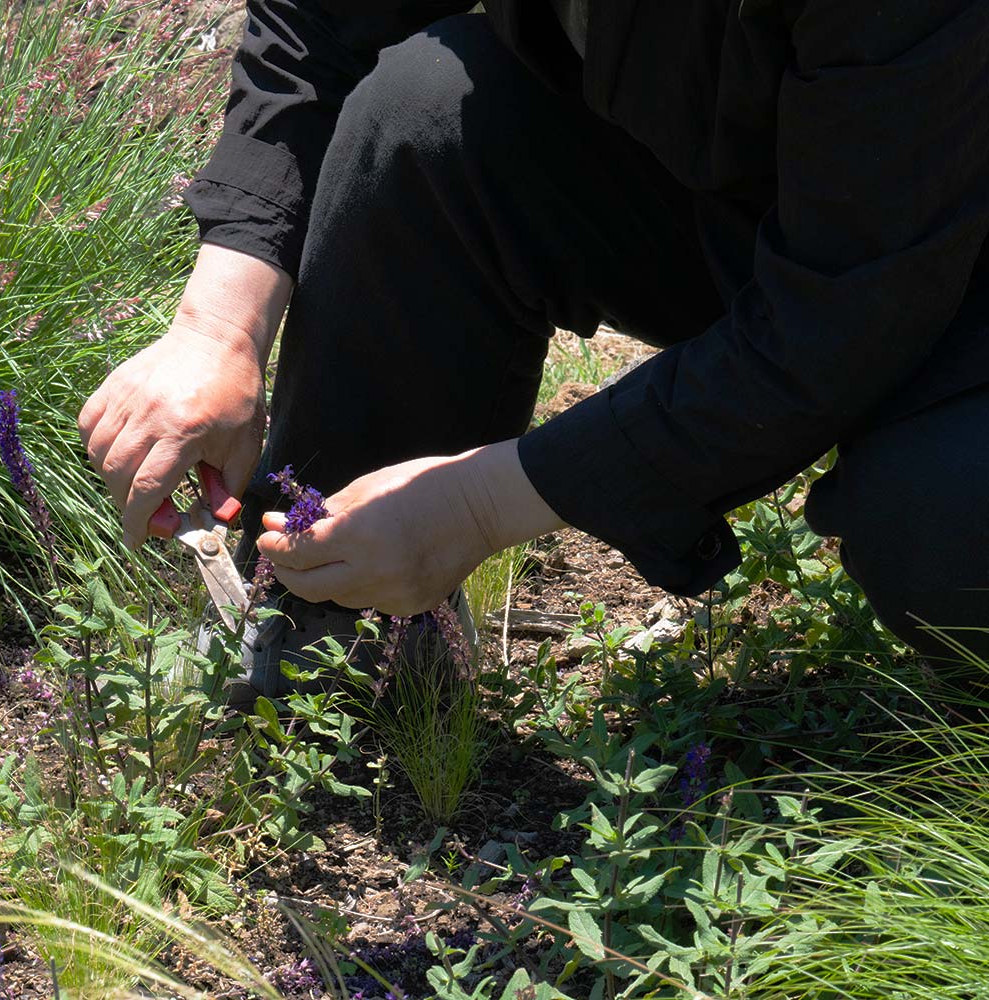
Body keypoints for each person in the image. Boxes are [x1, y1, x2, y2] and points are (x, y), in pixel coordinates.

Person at [79, 0, 989, 689]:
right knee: (426, 114)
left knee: (943, 527)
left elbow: (844, 308)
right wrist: (218, 326)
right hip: (773, 188)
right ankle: (337, 641)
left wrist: (477, 505)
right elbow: (318, 23)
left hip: (950, 252)